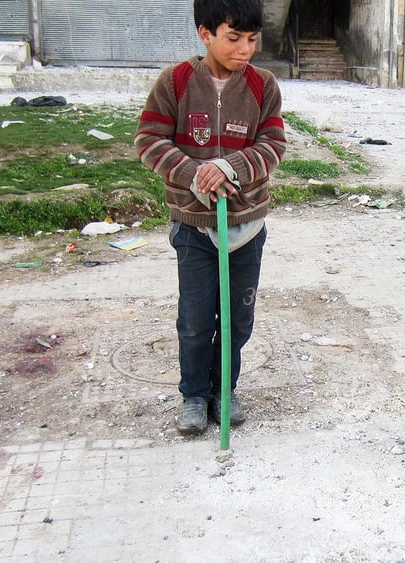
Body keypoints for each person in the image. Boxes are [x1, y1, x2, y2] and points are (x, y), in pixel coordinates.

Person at [134, 0, 286, 434]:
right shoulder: (177, 82)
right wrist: (195, 172)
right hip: (193, 227)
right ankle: (195, 395)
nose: (245, 50)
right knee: (197, 319)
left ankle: (225, 389)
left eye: (253, 39)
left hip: (246, 226)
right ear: (205, 33)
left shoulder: (263, 85)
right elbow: (148, 139)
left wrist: (230, 167)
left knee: (238, 319)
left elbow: (273, 145)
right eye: (233, 38)